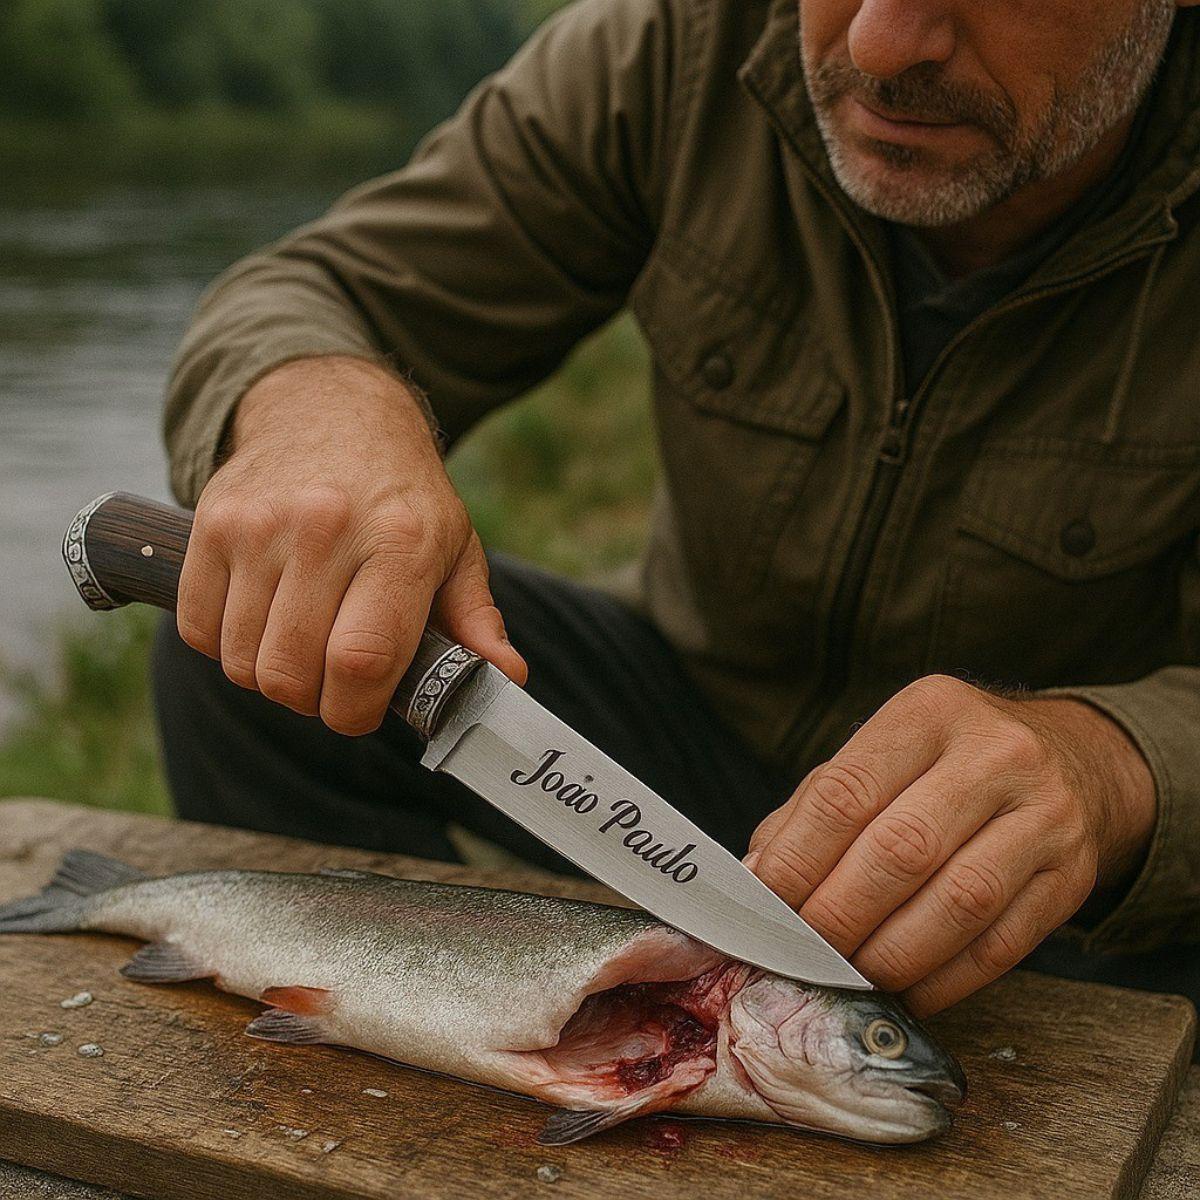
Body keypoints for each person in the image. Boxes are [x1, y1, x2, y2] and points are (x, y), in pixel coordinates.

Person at [155, 0, 1200, 1021]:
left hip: (1085, 880)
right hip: (693, 732)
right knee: (250, 640)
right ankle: (432, 1036)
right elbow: (323, 286)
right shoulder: (679, 45)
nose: (882, 42)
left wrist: (1110, 771)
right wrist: (318, 405)